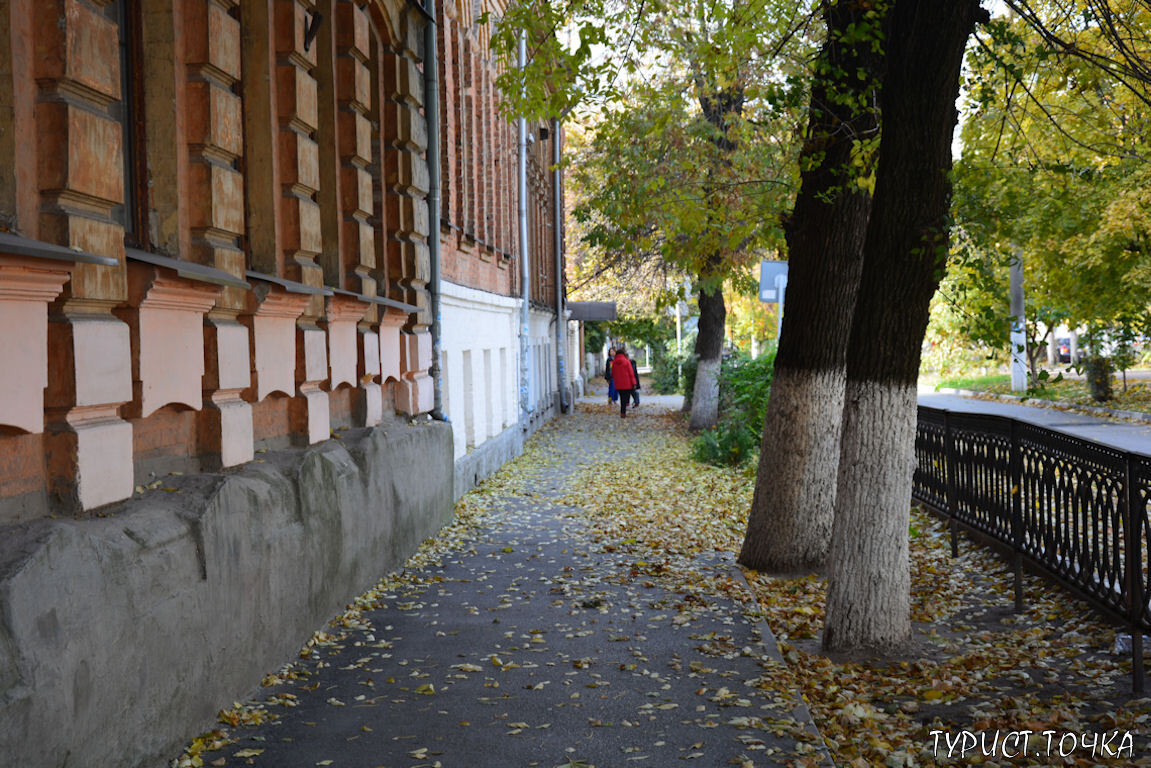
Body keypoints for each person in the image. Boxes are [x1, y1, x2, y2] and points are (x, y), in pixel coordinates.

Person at [611, 347, 638, 418]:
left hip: (619, 384)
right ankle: (624, 411)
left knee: (622, 397)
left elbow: (613, 374)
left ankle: (622, 412)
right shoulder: (626, 361)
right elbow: (631, 373)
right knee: (626, 397)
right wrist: (634, 383)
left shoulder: (614, 363)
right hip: (627, 384)